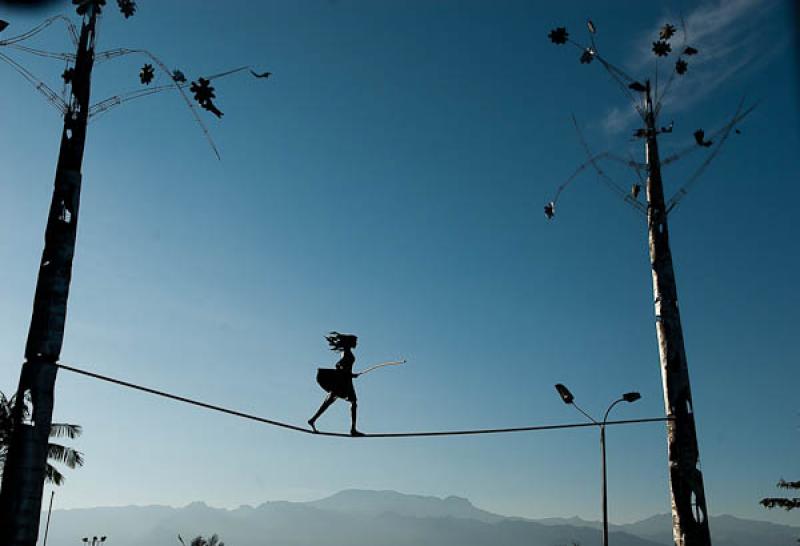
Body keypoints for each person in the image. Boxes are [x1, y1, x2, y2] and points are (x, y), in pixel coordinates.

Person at [308, 332, 363, 436]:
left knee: (330, 401)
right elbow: (339, 365)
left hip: (345, 380)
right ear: (351, 342)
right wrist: (350, 375)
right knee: (352, 402)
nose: (356, 343)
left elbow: (343, 367)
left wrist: (351, 374)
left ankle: (313, 420)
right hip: (343, 381)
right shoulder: (346, 353)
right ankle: (353, 429)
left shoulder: (347, 352)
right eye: (355, 341)